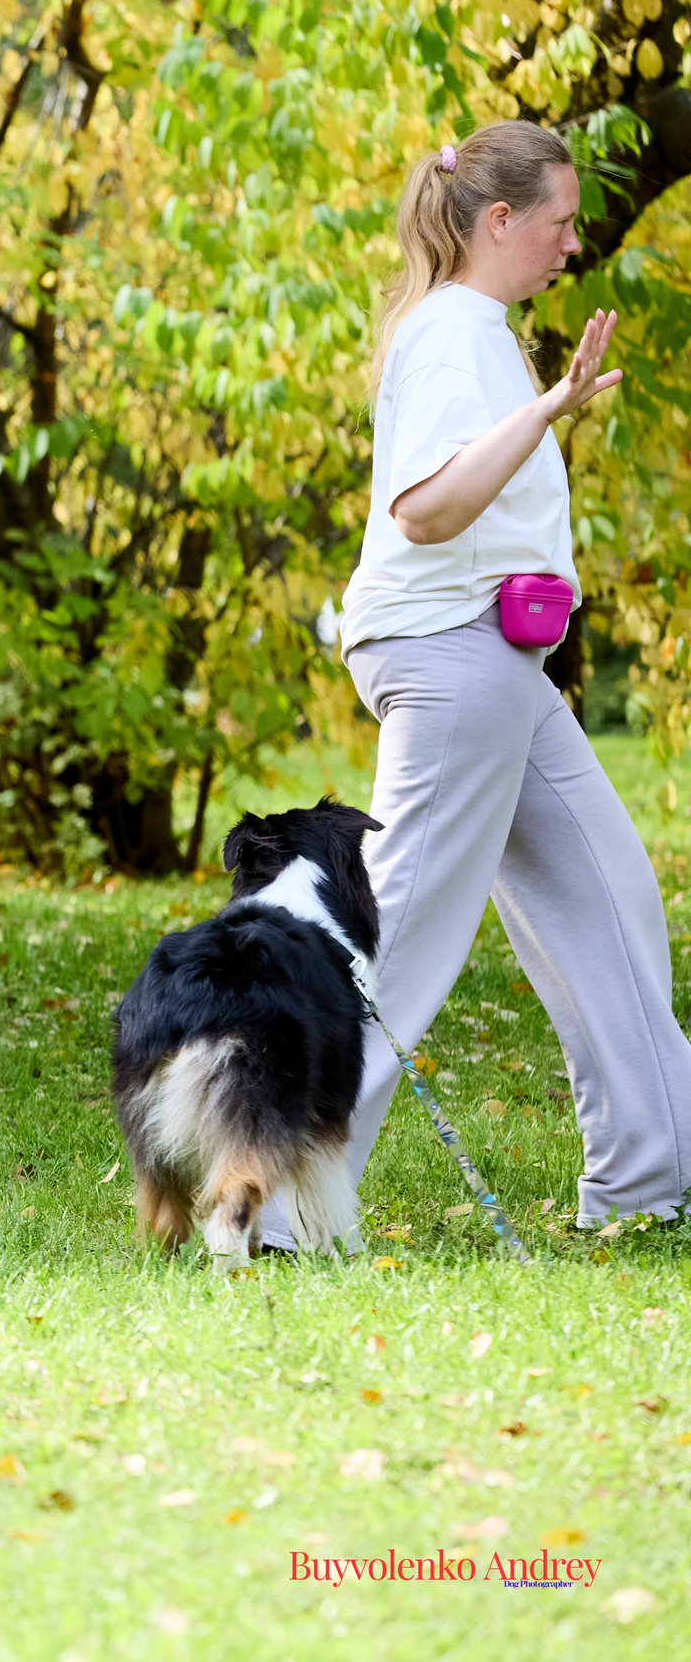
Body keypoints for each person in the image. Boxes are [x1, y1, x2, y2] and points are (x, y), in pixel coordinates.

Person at [260, 118, 691, 1247]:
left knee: (608, 897)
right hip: (453, 661)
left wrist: (544, 405)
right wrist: (547, 411)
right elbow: (426, 507)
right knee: (397, 937)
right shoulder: (454, 330)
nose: (568, 244)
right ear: (497, 219)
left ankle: (652, 1184)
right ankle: (267, 1201)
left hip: (499, 663)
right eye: (556, 222)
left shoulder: (476, 329)